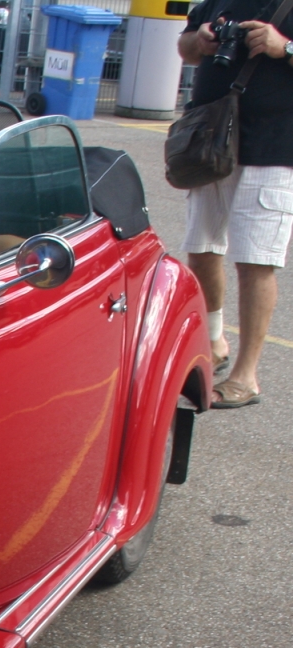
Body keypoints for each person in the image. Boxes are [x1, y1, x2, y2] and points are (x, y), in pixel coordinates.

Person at [178, 0, 293, 408]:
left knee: (255, 262)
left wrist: (285, 48)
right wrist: (202, 40)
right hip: (214, 141)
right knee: (202, 248)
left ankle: (247, 376)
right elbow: (186, 48)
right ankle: (214, 342)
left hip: (275, 149)